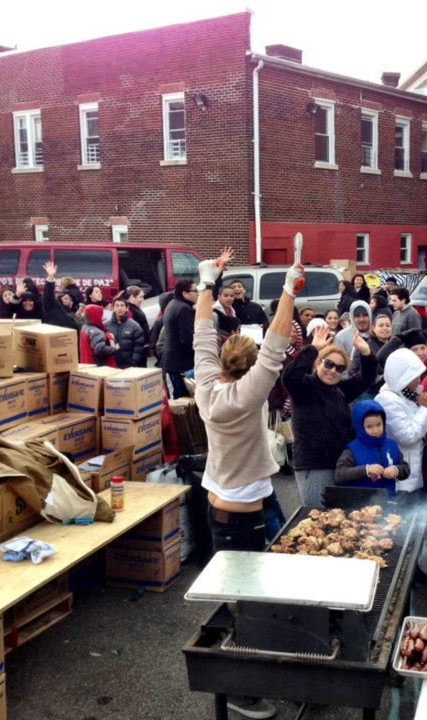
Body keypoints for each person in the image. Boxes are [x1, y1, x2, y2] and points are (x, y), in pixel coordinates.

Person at [195, 248, 298, 720]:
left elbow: (201, 334)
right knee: (247, 608)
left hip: (220, 506)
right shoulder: (245, 395)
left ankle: (251, 677)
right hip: (240, 518)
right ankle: (241, 691)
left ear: (221, 361)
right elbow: (277, 342)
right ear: (248, 365)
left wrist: (206, 282)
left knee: (243, 602)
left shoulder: (207, 384)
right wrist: (289, 287)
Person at [283, 325, 377, 508]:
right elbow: (289, 377)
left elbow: (366, 378)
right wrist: (313, 349)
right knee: (320, 518)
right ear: (318, 364)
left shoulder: (340, 390)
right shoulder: (304, 386)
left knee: (342, 520)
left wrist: (366, 353)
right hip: (315, 465)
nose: (333, 370)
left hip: (342, 465)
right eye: (328, 364)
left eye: (340, 368)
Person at [375, 347, 427, 585]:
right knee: (399, 527)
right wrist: (425, 409)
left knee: (413, 526)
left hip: (414, 470)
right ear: (401, 376)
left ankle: (413, 568)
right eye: (414, 377)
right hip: (402, 477)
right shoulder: (387, 399)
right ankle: (399, 574)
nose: (419, 381)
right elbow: (409, 435)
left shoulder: (406, 393)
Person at [334, 400, 410, 494]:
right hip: (360, 504)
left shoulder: (392, 445)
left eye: (379, 424)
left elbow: (406, 469)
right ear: (360, 427)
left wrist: (396, 470)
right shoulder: (352, 449)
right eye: (369, 426)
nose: (376, 430)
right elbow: (339, 475)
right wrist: (366, 470)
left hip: (389, 503)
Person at [161, 279, 199, 399]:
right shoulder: (184, 309)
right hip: (180, 365)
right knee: (182, 402)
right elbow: (188, 339)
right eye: (195, 291)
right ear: (185, 293)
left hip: (172, 363)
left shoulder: (172, 304)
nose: (197, 293)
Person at [106, 296, 146, 368]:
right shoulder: (106, 325)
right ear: (113, 308)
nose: (120, 308)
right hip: (111, 365)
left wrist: (133, 362)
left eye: (122, 306)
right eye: (117, 306)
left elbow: (139, 347)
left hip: (129, 365)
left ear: (127, 308)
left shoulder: (135, 326)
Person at [42, 262, 83, 332]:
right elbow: (48, 296)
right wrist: (51, 277)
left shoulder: (72, 314)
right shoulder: (53, 307)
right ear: (60, 299)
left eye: (70, 300)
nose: (68, 301)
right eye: (66, 298)